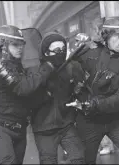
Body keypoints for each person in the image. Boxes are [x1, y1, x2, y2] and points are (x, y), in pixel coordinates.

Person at [69, 16, 119, 164]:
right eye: (118, 35)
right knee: (81, 160)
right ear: (106, 35)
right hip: (87, 120)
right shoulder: (88, 52)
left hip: (115, 118)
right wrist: (74, 48)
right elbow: (66, 73)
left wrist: (95, 104)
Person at [0, 25, 55, 164]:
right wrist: (46, 69)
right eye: (15, 44)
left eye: (21, 44)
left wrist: (47, 94)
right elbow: (23, 88)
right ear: (4, 46)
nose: (20, 47)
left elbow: (24, 99)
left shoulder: (17, 67)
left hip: (19, 129)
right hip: (0, 128)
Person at [30, 32, 85, 164]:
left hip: (66, 123)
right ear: (46, 53)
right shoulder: (36, 72)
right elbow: (28, 97)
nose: (60, 53)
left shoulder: (69, 68)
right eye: (56, 50)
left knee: (79, 158)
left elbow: (79, 90)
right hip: (44, 128)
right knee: (48, 161)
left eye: (62, 50)